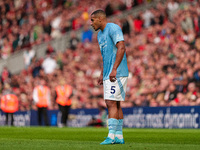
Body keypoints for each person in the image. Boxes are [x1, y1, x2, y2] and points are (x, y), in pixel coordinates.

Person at [91, 10, 129, 145]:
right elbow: (105, 56)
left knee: (110, 102)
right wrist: (103, 73)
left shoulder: (113, 28)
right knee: (116, 103)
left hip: (117, 72)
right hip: (109, 73)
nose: (91, 23)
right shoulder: (100, 36)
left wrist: (114, 69)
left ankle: (111, 136)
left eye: (93, 20)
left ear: (100, 19)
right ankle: (119, 136)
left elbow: (122, 47)